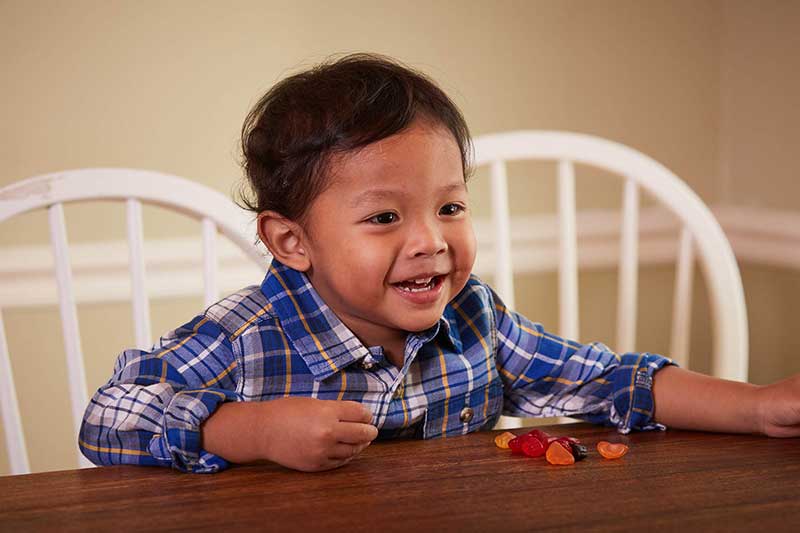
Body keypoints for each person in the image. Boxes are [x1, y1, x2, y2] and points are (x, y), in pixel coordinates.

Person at [79, 53, 800, 474]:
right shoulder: (246, 333)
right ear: (292, 241)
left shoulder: (475, 318)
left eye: (450, 207)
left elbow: (610, 380)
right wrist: (250, 430)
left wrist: (758, 403)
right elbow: (108, 414)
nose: (431, 240)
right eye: (386, 217)